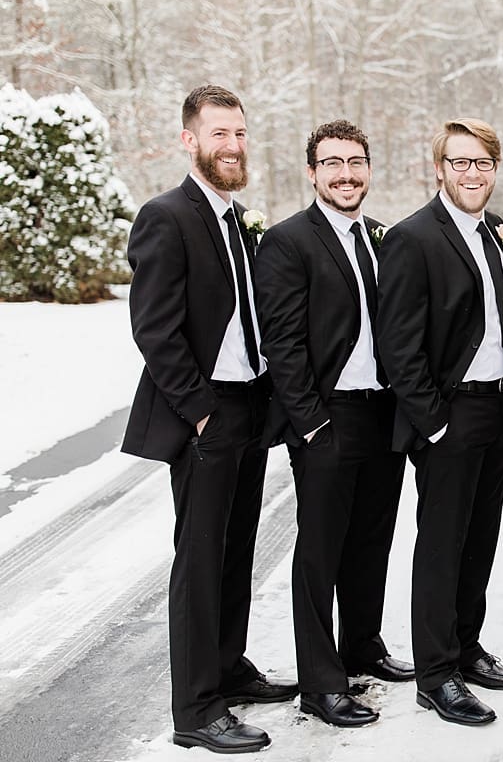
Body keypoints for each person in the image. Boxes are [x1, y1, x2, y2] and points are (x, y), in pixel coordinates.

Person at [122, 85, 296, 754]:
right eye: (220, 133)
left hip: (250, 403)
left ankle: (228, 668)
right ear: (190, 140)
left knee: (236, 550)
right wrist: (198, 414)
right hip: (206, 411)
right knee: (198, 561)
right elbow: (155, 330)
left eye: (241, 134)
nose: (233, 145)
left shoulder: (242, 218)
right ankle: (196, 709)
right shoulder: (164, 216)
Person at [254, 119, 413, 729]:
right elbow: (284, 343)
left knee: (371, 541)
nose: (346, 174)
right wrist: (312, 424)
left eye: (356, 162)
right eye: (333, 163)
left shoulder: (381, 237)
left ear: (369, 169)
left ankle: (362, 647)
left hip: (382, 413)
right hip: (329, 418)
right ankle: (321, 682)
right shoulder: (290, 241)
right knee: (320, 553)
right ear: (313, 172)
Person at [376, 118, 503, 727]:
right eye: (461, 163)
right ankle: (436, 673)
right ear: (439, 168)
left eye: (483, 164)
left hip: (497, 412)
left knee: (481, 539)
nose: (473, 174)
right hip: (450, 414)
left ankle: (467, 649)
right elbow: (399, 344)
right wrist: (434, 424)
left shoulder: (497, 233)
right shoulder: (414, 237)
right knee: (441, 547)